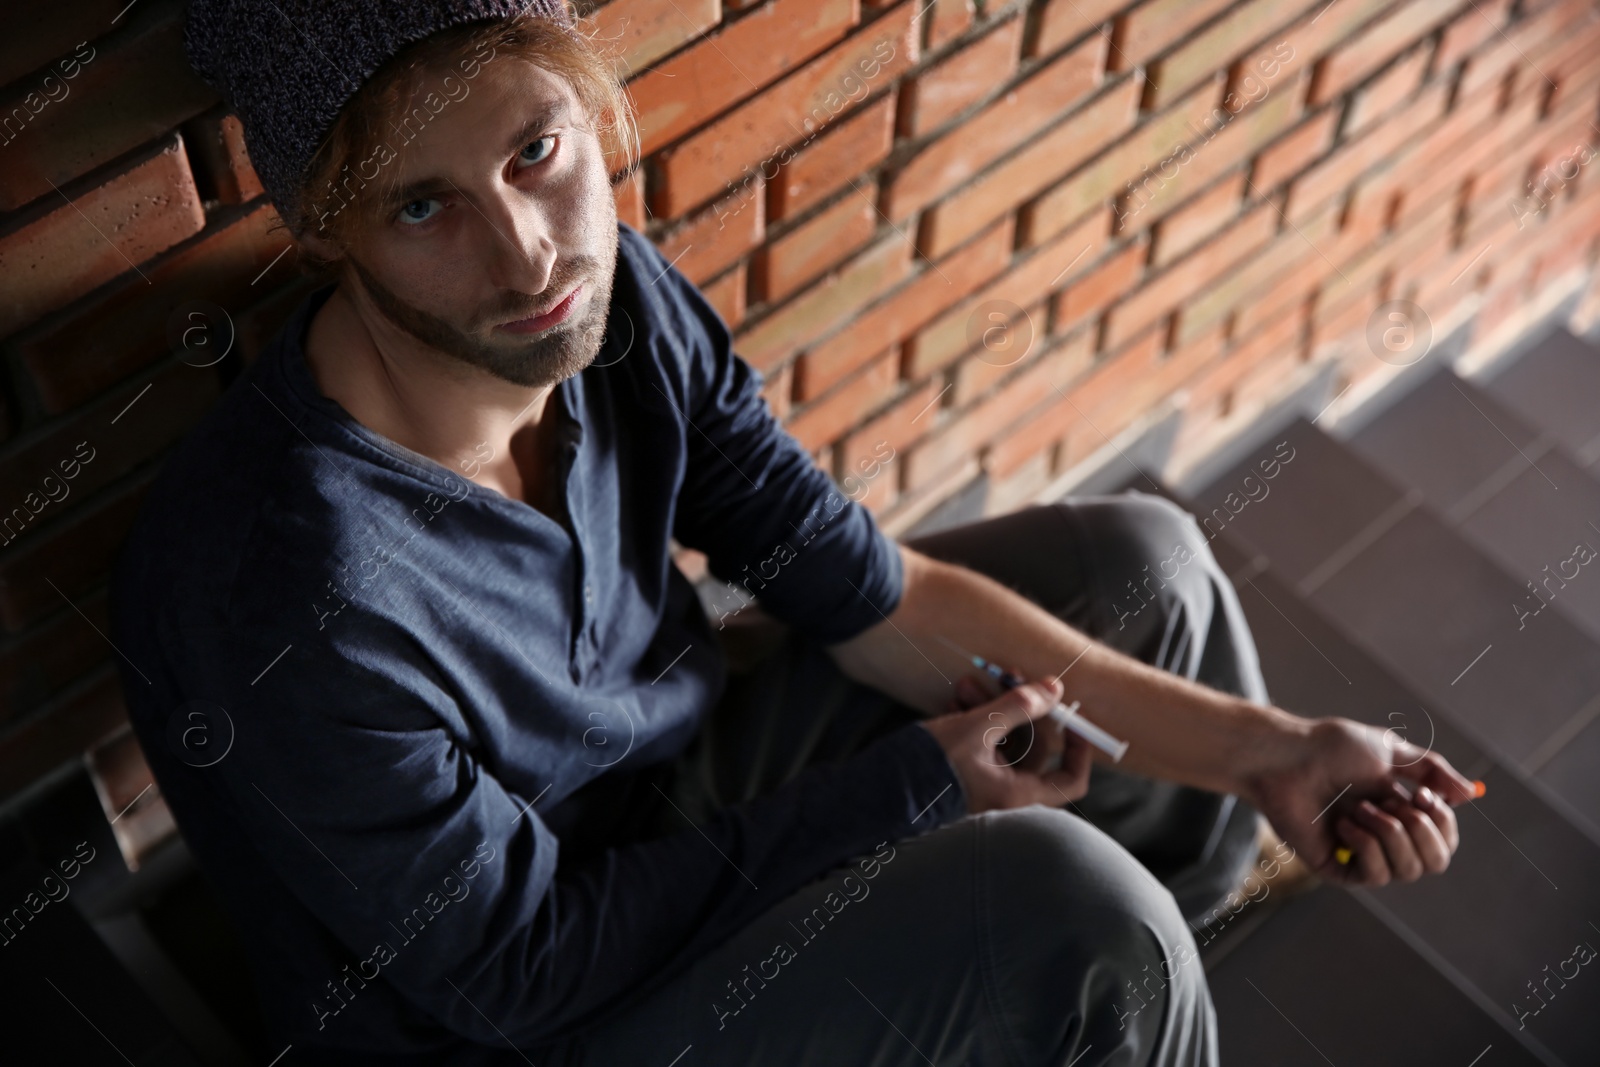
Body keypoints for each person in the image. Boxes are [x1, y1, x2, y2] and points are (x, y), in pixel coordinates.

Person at [110, 2, 1478, 1064]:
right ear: (331, 233)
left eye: (537, 153)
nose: (528, 257)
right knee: (1073, 914)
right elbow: (517, 974)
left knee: (1145, 571)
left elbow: (865, 592)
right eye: (425, 207)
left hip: (683, 785)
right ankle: (1090, 990)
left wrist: (1282, 752)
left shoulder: (614, 306)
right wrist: (914, 795)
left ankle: (1095, 1013)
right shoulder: (281, 591)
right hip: (527, 1026)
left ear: (593, 115)